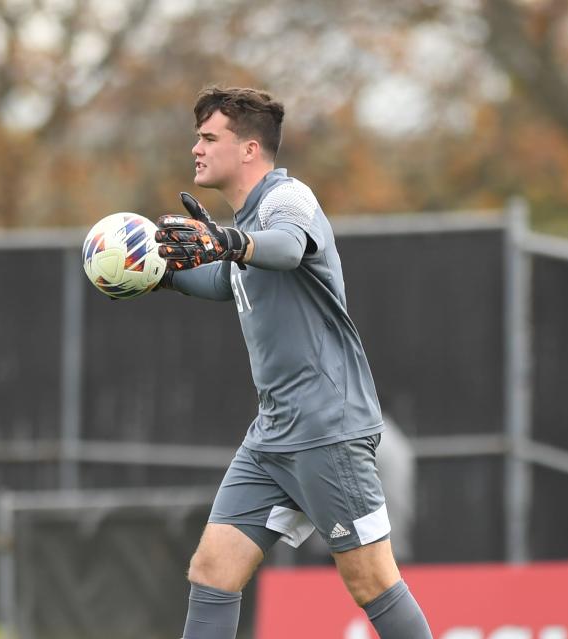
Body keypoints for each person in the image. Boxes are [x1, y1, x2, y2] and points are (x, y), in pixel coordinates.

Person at [154, 86, 433, 639]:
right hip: (274, 434)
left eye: (210, 138)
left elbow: (283, 248)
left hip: (328, 427)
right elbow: (220, 277)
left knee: (372, 582)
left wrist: (227, 241)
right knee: (213, 570)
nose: (197, 149)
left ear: (250, 149)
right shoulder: (244, 228)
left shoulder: (288, 200)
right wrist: (148, 269)